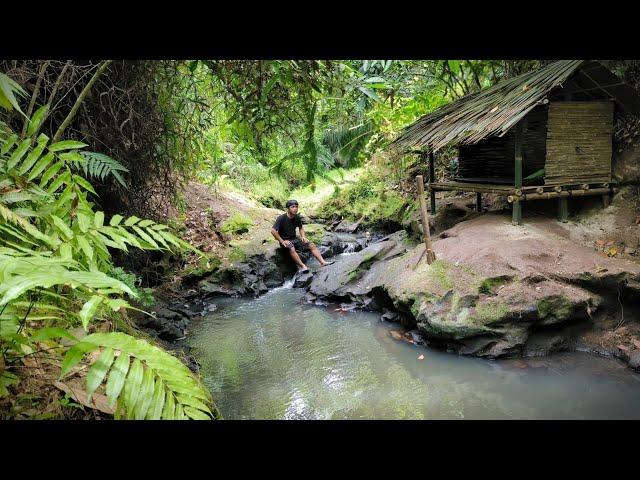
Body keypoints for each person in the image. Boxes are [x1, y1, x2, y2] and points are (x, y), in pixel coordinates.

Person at [271, 199, 333, 273]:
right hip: (285, 241)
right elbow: (273, 231)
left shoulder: (296, 217)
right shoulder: (281, 218)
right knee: (291, 248)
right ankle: (303, 266)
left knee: (311, 245)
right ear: (288, 208)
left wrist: (303, 236)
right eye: (292, 207)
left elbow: (301, 228)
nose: (295, 209)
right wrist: (282, 241)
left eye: (296, 207)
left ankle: (322, 262)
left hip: (294, 239)